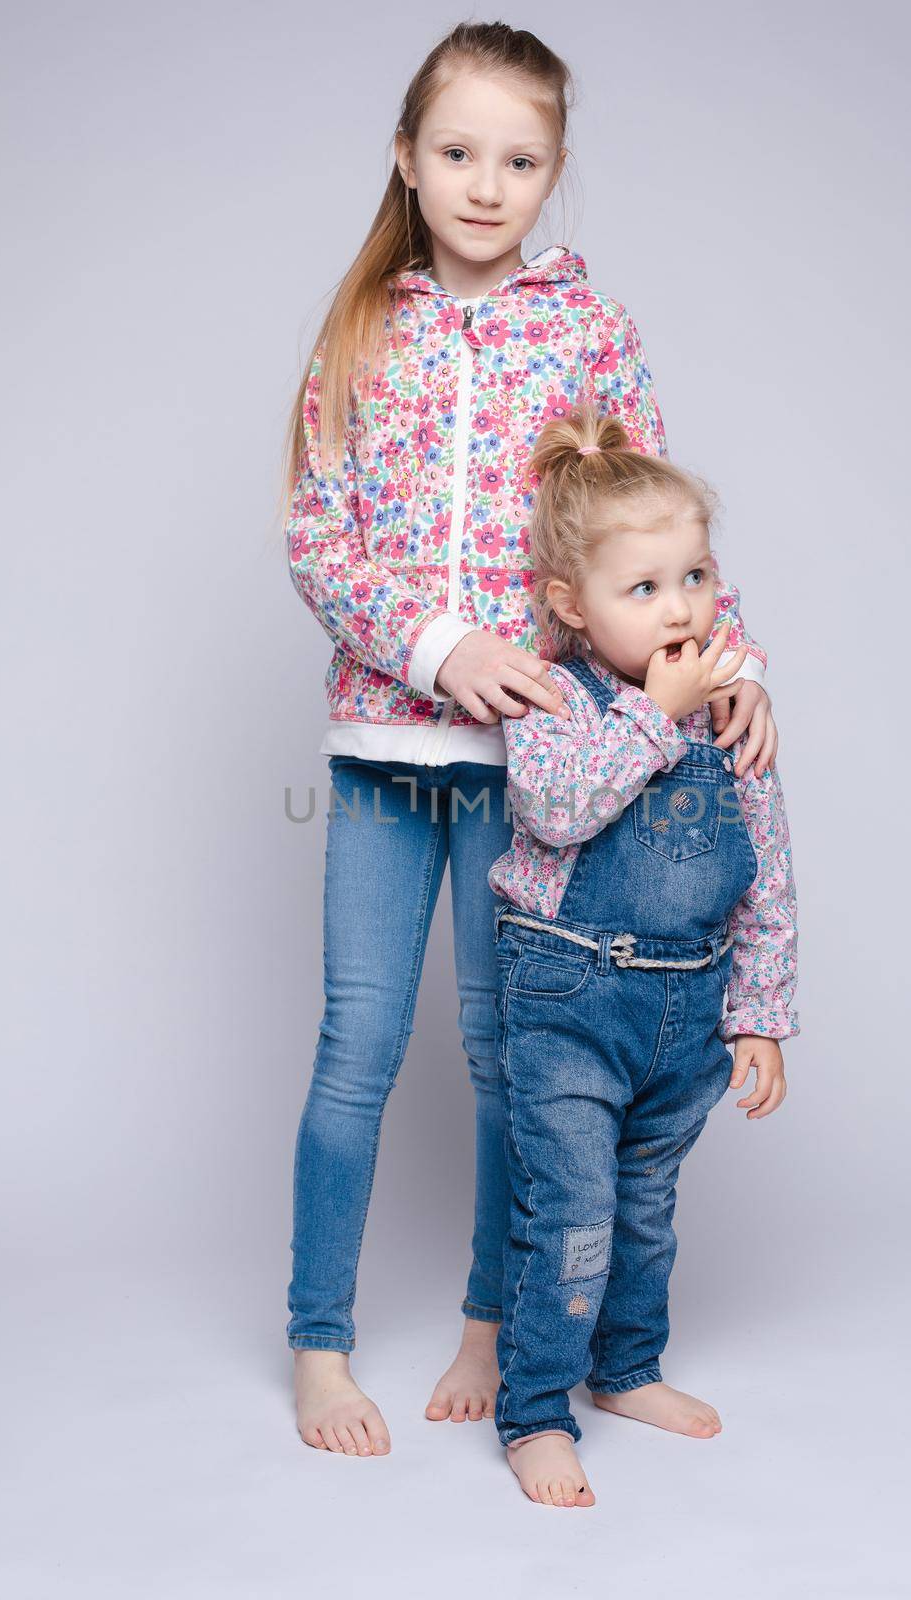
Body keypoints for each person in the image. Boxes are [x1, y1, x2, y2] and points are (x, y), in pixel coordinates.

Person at [283, 21, 779, 1458]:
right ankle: (319, 1345)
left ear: (551, 172)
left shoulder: (587, 332)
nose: (484, 185)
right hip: (387, 755)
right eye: (455, 153)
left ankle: (497, 1326)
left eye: (517, 159)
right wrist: (445, 648)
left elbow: (647, 530)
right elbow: (320, 543)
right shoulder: (359, 330)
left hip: (550, 769)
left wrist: (730, 660)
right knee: (355, 1049)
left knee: (514, 1063)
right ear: (406, 159)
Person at [489, 404, 799, 1507]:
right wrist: (655, 720)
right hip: (569, 999)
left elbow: (764, 871)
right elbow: (557, 810)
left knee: (645, 1210)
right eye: (644, 588)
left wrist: (758, 1012)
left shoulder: (729, 711)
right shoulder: (552, 699)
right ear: (569, 608)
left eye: (696, 577)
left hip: (687, 1004)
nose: (680, 609)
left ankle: (625, 1370)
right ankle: (533, 1411)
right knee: (568, 1213)